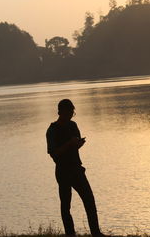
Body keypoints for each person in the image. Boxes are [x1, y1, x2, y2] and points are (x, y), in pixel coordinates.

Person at [46, 99, 105, 237]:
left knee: (89, 200)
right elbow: (53, 154)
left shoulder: (73, 125)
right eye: (70, 112)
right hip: (63, 172)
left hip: (77, 169)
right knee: (66, 206)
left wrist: (78, 144)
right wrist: (70, 144)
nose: (72, 115)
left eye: (73, 112)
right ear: (61, 112)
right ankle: (70, 234)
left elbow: (75, 145)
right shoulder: (52, 130)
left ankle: (96, 233)